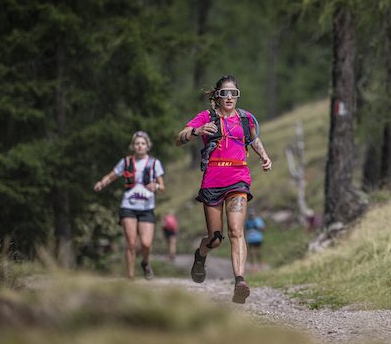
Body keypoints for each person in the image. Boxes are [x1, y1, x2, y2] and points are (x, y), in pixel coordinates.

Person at [175, 74, 272, 304]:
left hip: (239, 178)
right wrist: (196, 132)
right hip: (213, 181)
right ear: (216, 97)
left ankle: (240, 282)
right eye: (224, 93)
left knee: (237, 231)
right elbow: (178, 139)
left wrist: (265, 156)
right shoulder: (206, 117)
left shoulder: (245, 118)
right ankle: (201, 255)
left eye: (233, 94)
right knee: (216, 238)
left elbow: (253, 138)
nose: (229, 97)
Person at [94, 130, 165, 280]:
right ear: (133, 146)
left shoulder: (154, 163)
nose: (140, 146)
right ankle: (130, 276)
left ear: (148, 146)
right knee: (131, 243)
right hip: (128, 206)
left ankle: (145, 263)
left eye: (143, 143)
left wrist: (157, 187)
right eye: (137, 143)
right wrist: (102, 183)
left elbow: (162, 186)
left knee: (146, 243)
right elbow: (112, 175)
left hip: (147, 208)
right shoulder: (125, 162)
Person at [244, 207, 266, 272]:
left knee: (258, 252)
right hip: (250, 239)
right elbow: (245, 230)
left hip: (258, 238)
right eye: (250, 214)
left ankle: (261, 265)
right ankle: (253, 266)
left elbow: (263, 228)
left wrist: (257, 226)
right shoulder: (247, 221)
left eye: (252, 214)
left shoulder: (258, 220)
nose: (251, 215)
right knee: (251, 253)